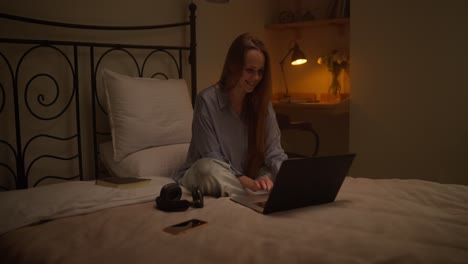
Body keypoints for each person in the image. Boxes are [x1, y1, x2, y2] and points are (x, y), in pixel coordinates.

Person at [173, 33, 287, 197]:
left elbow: (274, 152)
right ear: (234, 66)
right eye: (249, 70)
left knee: (276, 168)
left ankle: (259, 192)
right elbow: (212, 156)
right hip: (214, 172)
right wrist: (250, 184)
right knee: (207, 169)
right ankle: (253, 195)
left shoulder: (263, 104)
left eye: (260, 72)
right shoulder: (206, 101)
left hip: (250, 177)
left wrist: (281, 177)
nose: (256, 78)